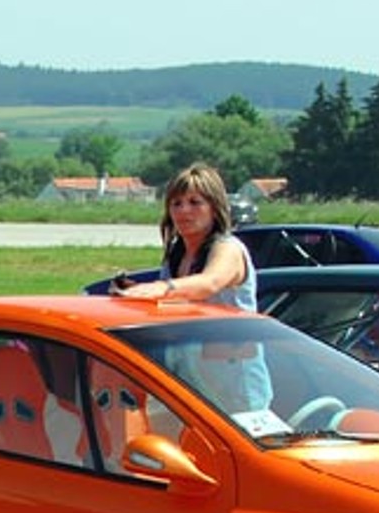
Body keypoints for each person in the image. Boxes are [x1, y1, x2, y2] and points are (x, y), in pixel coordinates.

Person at [110, 162, 272, 412]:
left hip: (237, 389)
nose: (184, 211)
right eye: (176, 203)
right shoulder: (177, 255)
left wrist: (164, 287)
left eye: (195, 202)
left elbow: (210, 283)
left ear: (214, 208)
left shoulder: (228, 248)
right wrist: (135, 292)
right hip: (191, 388)